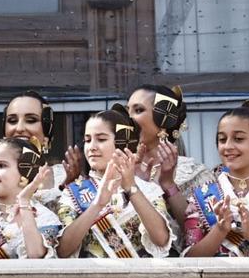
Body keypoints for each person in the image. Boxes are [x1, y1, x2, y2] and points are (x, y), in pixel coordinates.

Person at [56, 106, 173, 258]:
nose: (92, 147)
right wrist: (97, 204)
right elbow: (63, 251)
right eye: (87, 140)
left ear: (122, 142)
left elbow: (161, 240)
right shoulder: (73, 192)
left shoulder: (148, 189)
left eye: (101, 139)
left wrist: (131, 188)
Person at [126, 84, 213, 230]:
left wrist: (169, 185)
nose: (128, 118)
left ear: (164, 119)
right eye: (127, 110)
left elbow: (201, 231)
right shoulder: (119, 167)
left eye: (138, 110)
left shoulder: (193, 173)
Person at [183, 102, 249, 257]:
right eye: (222, 139)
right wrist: (219, 230)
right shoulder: (201, 197)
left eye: (238, 139)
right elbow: (188, 260)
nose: (228, 146)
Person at [2, 90, 83, 207]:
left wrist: (68, 187)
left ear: (46, 132)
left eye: (31, 120)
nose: (19, 128)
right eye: (12, 121)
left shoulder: (62, 174)